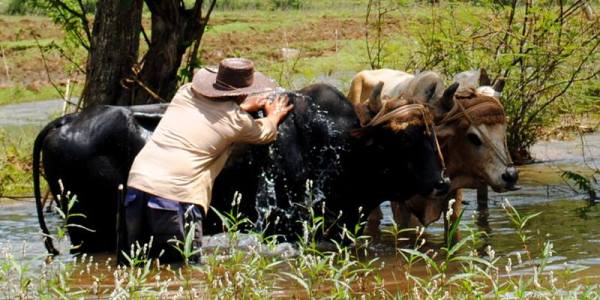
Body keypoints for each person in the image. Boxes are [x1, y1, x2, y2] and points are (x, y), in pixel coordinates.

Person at [124, 58, 293, 262]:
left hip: (137, 186)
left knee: (137, 264)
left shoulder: (185, 93)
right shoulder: (237, 121)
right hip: (175, 197)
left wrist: (241, 106)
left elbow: (209, 114)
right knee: (183, 271)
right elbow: (266, 132)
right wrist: (273, 115)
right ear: (242, 93)